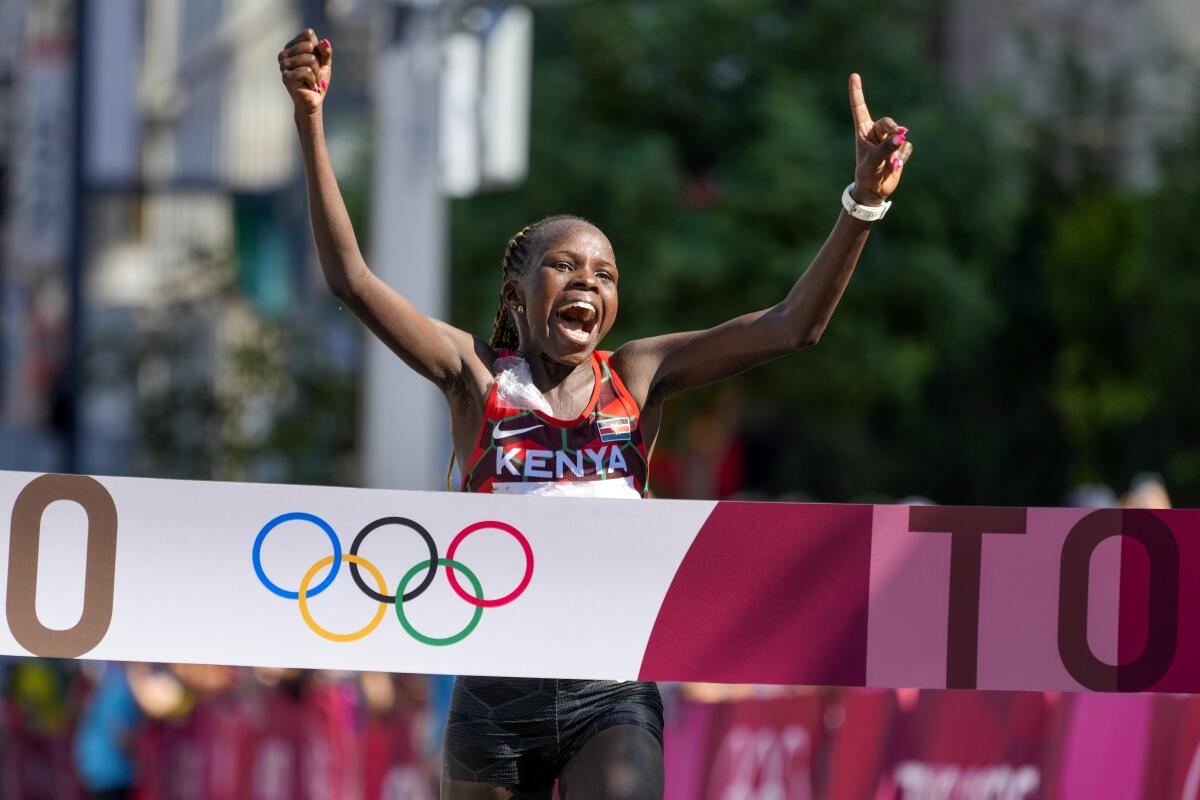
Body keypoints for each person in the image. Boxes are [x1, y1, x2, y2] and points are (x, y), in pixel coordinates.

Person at [278, 27, 913, 799]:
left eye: (605, 273)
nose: (589, 280)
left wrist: (862, 206)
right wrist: (311, 119)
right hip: (493, 698)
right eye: (565, 265)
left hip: (609, 694)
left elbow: (792, 327)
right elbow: (350, 279)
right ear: (517, 293)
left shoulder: (640, 375)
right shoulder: (474, 376)